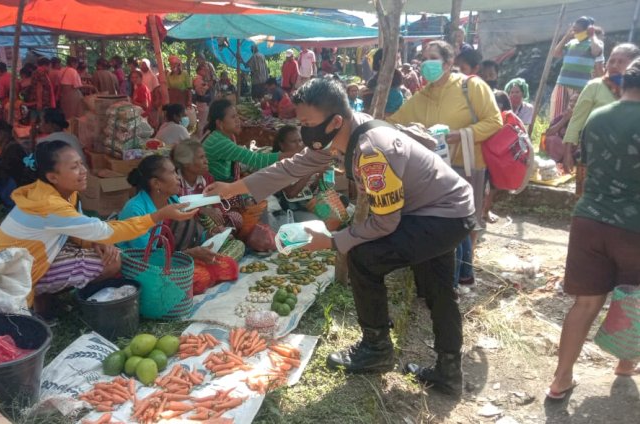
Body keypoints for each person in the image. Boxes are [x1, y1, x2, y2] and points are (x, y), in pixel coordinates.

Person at [204, 78, 476, 396]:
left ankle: (376, 350)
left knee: (363, 257)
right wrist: (232, 188)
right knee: (438, 290)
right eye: (299, 123)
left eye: (307, 123)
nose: (303, 131)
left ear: (334, 121)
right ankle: (448, 372)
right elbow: (291, 167)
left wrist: (332, 241)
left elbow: (385, 224)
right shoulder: (344, 134)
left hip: (442, 214)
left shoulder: (371, 152)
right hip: (440, 207)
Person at [0, 140, 196, 314]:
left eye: (81, 164)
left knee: (108, 253)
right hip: (16, 274)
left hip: (34, 257)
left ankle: (47, 298)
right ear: (52, 177)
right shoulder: (50, 204)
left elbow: (77, 231)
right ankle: (40, 298)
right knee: (111, 262)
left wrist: (93, 242)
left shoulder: (65, 194)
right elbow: (104, 231)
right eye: (74, 167)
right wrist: (157, 216)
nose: (83, 171)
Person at [547, 58, 640, 400]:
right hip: (634, 227)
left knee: (584, 304)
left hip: (589, 220)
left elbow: (586, 166)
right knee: (635, 297)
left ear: (621, 83)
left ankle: (560, 380)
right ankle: (626, 363)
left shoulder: (597, 117)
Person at [390, 40, 503, 289]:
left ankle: (452, 284)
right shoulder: (422, 96)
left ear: (449, 62)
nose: (426, 62)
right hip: (435, 171)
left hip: (466, 166)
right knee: (445, 225)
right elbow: (394, 121)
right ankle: (453, 280)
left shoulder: (470, 86)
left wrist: (458, 134)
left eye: (432, 57)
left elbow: (494, 121)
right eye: (424, 57)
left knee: (459, 225)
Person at [117, 155, 218, 264]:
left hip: (175, 260)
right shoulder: (135, 211)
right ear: (156, 183)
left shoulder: (173, 200)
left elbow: (189, 235)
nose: (178, 177)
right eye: (172, 173)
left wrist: (210, 235)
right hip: (144, 269)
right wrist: (189, 254)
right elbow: (149, 259)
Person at [562, 43, 640, 174]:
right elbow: (577, 120)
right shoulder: (595, 86)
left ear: (634, 65)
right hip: (597, 154)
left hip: (631, 155)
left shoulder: (636, 90)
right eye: (612, 61)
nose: (614, 65)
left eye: (621, 62)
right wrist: (567, 153)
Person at [202, 99, 287, 182]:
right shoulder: (220, 142)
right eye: (233, 117)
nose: (238, 120)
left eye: (237, 116)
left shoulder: (217, 135)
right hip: (216, 189)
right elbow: (256, 160)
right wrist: (287, 156)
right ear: (220, 123)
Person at [482, 91, 527, 224]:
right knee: (486, 186)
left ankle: (485, 211)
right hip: (485, 155)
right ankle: (482, 211)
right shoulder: (485, 117)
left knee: (493, 186)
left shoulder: (509, 119)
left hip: (497, 157)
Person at [551, 16, 603, 120]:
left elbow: (596, 51)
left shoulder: (594, 43)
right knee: (557, 116)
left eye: (577, 30)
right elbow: (556, 53)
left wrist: (592, 36)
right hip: (562, 84)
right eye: (573, 30)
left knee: (574, 116)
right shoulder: (571, 43)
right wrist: (566, 36)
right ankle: (554, 135)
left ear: (587, 30)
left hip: (580, 87)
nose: (574, 32)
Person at [543, 93, 579, 165]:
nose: (572, 104)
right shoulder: (562, 116)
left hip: (575, 152)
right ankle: (556, 163)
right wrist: (564, 120)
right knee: (552, 139)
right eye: (571, 101)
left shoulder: (585, 118)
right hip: (561, 150)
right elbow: (548, 133)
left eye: (576, 101)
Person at [27, 57, 56, 123]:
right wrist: (39, 102)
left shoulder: (37, 72)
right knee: (42, 119)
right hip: (41, 101)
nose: (50, 68)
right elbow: (39, 88)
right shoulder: (41, 73)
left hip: (36, 101)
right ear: (45, 65)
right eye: (49, 66)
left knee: (34, 118)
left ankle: (33, 131)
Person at [193, 65, 213, 138]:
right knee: (201, 123)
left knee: (203, 123)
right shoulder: (198, 80)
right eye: (204, 70)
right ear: (199, 70)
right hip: (201, 103)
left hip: (204, 103)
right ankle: (200, 140)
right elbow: (201, 92)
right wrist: (207, 86)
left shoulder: (202, 80)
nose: (206, 71)